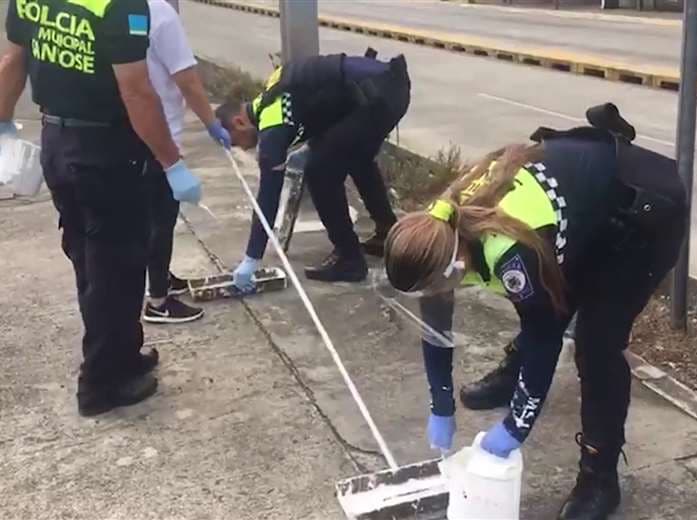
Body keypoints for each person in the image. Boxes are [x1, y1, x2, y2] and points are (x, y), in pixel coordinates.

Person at [383, 106, 686, 520]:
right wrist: (441, 404)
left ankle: (599, 476)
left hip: (640, 214)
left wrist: (516, 427)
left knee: (596, 345)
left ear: (453, 266)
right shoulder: (438, 232)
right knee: (545, 299)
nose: (434, 297)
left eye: (435, 288)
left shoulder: (511, 254)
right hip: (582, 209)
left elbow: (544, 335)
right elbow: (435, 331)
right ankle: (514, 377)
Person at [1, 0, 202, 416]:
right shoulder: (122, 4)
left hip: (57, 143)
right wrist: (172, 163)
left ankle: (123, 354)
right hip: (105, 151)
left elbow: (13, 62)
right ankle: (101, 383)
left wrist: (2, 121)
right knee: (117, 267)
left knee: (90, 261)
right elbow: (137, 91)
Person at [215, 51, 410, 287]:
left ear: (238, 122)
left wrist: (252, 257)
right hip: (390, 84)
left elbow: (268, 197)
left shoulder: (273, 125)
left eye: (235, 142)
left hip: (378, 95)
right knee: (356, 157)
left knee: (319, 171)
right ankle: (387, 233)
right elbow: (321, 103)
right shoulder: (271, 94)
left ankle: (349, 259)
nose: (241, 148)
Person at [142, 0, 230, 324]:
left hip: (130, 131)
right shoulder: (161, 14)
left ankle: (160, 277)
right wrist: (211, 123)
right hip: (161, 135)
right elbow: (187, 80)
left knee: (145, 217)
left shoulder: (119, 9)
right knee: (161, 219)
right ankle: (158, 301)